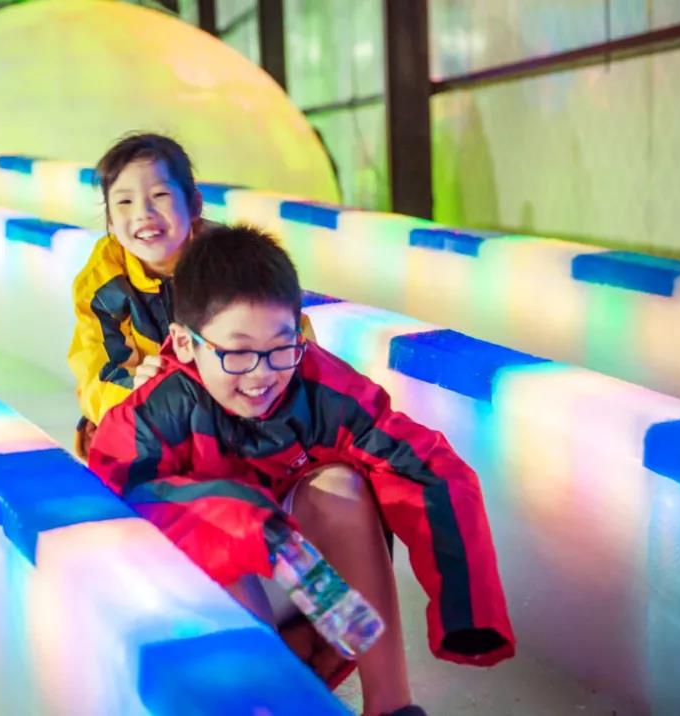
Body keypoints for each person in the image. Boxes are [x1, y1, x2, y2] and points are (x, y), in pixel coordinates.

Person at [88, 224, 515, 716]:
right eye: (238, 353)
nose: (262, 373)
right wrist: (247, 525)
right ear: (185, 344)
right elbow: (123, 509)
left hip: (313, 594)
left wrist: (466, 604)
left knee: (341, 486)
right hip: (207, 615)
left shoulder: (320, 387)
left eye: (280, 347)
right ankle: (274, 704)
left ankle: (391, 705)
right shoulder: (150, 418)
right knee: (218, 553)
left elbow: (422, 466)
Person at [66, 132, 206, 457]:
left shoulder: (230, 260)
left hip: (224, 401)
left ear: (194, 204)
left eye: (160, 195)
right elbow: (95, 371)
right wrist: (137, 391)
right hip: (141, 407)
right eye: (125, 202)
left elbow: (287, 341)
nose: (143, 213)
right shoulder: (104, 281)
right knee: (102, 435)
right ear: (111, 221)